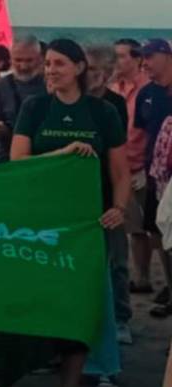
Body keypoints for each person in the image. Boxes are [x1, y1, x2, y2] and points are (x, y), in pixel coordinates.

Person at [0, 39, 129, 387]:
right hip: (35, 225)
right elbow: (19, 162)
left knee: (76, 308)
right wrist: (63, 152)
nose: (51, 70)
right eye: (48, 64)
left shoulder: (102, 112)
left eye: (60, 64)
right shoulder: (35, 108)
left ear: (80, 68)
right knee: (16, 302)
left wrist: (118, 208)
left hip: (84, 228)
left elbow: (118, 172)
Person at [86, 45, 133, 349]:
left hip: (108, 186)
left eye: (98, 70)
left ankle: (121, 319)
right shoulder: (70, 102)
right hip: (78, 191)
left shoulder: (114, 103)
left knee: (116, 259)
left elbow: (118, 153)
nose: (93, 76)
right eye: (89, 69)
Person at [110, 39, 156, 303]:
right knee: (129, 226)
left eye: (122, 56)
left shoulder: (149, 89)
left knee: (147, 228)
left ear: (137, 59)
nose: (117, 61)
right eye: (115, 56)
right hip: (120, 165)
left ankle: (145, 277)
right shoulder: (114, 88)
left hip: (142, 165)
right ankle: (137, 276)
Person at [135, 39, 172, 318]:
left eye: (149, 56)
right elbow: (143, 135)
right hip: (154, 173)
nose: (144, 62)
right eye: (142, 57)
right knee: (156, 230)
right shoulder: (147, 93)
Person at [0, 35, 48, 163]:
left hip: (43, 155)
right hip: (8, 155)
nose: (23, 66)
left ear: (40, 59)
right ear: (10, 60)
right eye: (18, 60)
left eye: (29, 60)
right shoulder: (2, 86)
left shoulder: (50, 84)